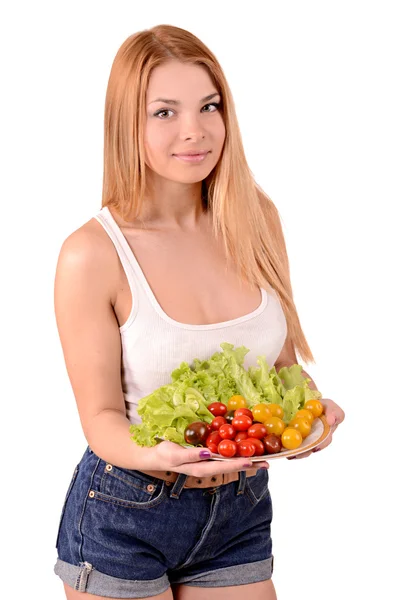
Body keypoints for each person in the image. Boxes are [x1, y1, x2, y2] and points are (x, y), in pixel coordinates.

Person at [53, 24, 345, 600]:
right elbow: (102, 417)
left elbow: (277, 367)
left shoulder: (256, 219)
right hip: (126, 510)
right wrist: (154, 451)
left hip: (238, 511)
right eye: (165, 112)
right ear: (126, 125)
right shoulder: (92, 253)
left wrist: (308, 412)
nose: (195, 131)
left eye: (208, 107)